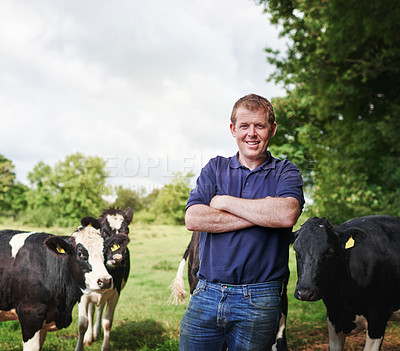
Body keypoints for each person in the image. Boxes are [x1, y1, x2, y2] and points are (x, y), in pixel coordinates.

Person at [179, 93, 305, 350]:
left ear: (272, 129)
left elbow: (286, 214)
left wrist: (224, 201)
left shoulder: (285, 171)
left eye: (259, 126)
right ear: (232, 129)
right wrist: (261, 214)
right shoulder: (215, 168)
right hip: (206, 292)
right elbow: (193, 218)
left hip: (260, 297)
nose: (252, 133)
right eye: (244, 126)